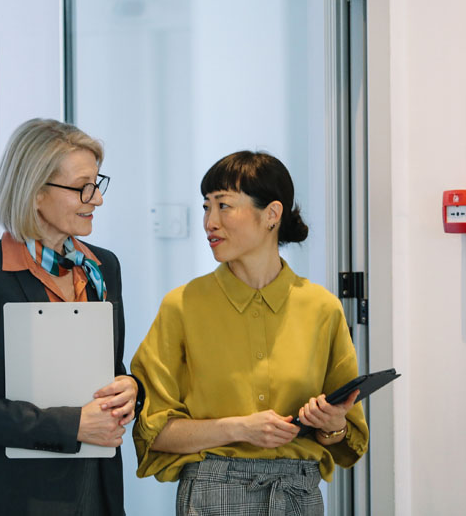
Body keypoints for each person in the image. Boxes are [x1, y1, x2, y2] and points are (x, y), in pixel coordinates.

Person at [130, 150, 368, 515]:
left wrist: (332, 426)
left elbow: (347, 437)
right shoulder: (182, 305)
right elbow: (154, 432)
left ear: (272, 214)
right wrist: (238, 429)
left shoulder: (322, 308)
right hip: (211, 495)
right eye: (206, 206)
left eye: (223, 206)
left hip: (298, 495)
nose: (210, 221)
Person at [0, 118, 142, 515]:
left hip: (95, 486)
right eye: (82, 188)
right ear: (36, 193)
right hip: (21, 495)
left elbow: (110, 370)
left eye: (97, 184)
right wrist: (70, 425)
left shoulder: (102, 267)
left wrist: (130, 389)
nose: (98, 199)